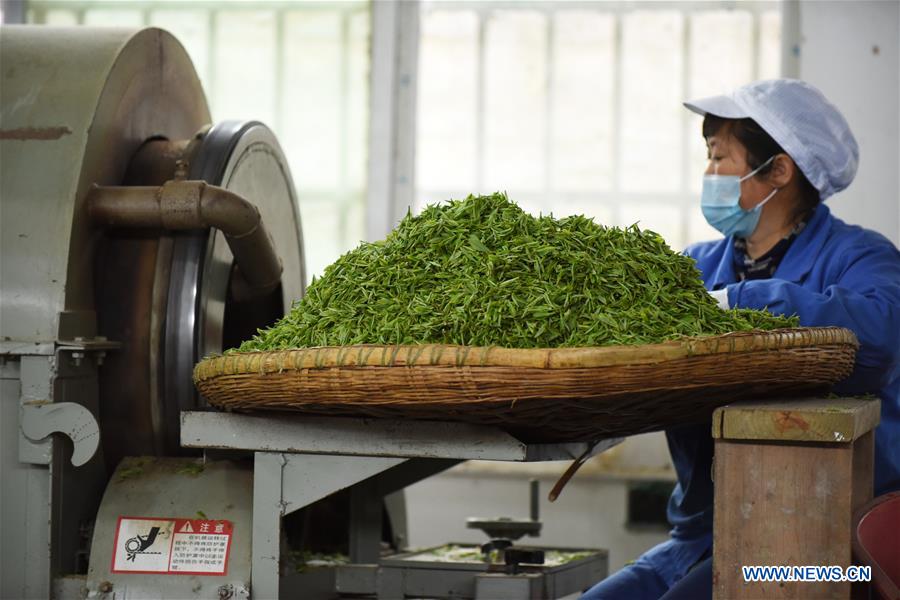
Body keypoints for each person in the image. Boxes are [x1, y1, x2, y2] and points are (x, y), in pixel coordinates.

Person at [581, 79, 900, 600]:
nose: (708, 175)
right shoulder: (694, 267)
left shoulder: (861, 257)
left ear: (778, 170)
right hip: (701, 535)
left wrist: (743, 303)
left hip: (827, 552)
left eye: (718, 158)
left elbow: (881, 339)